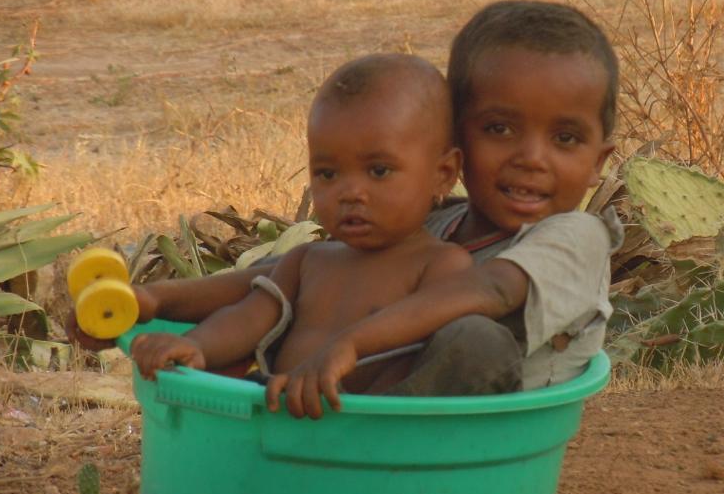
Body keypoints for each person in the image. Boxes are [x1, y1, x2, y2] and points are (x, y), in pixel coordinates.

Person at [70, 0, 622, 417]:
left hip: (465, 440)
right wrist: (147, 301)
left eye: (566, 139)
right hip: (335, 385)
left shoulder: (576, 236)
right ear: (451, 151)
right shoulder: (432, 222)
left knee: (473, 338)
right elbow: (280, 279)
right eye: (499, 129)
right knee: (299, 295)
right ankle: (277, 415)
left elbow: (491, 291)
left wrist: (350, 342)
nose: (531, 159)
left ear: (600, 160)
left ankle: (365, 447)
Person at [129, 53, 473, 406]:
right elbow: (247, 318)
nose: (350, 193)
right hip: (280, 409)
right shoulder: (308, 261)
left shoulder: (442, 265)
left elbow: (421, 359)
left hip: (367, 422)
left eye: (379, 171)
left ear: (443, 174)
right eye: (327, 174)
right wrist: (197, 346)